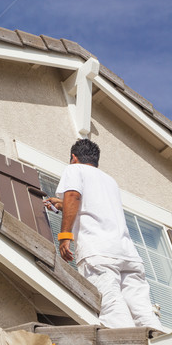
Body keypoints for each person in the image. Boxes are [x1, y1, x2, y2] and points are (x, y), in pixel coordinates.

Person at [44, 139, 163, 330]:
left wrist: (64, 236)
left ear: (74, 157)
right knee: (144, 313)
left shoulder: (74, 170)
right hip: (128, 255)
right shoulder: (109, 181)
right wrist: (61, 204)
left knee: (113, 308)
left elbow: (73, 196)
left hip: (99, 253)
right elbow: (91, 205)